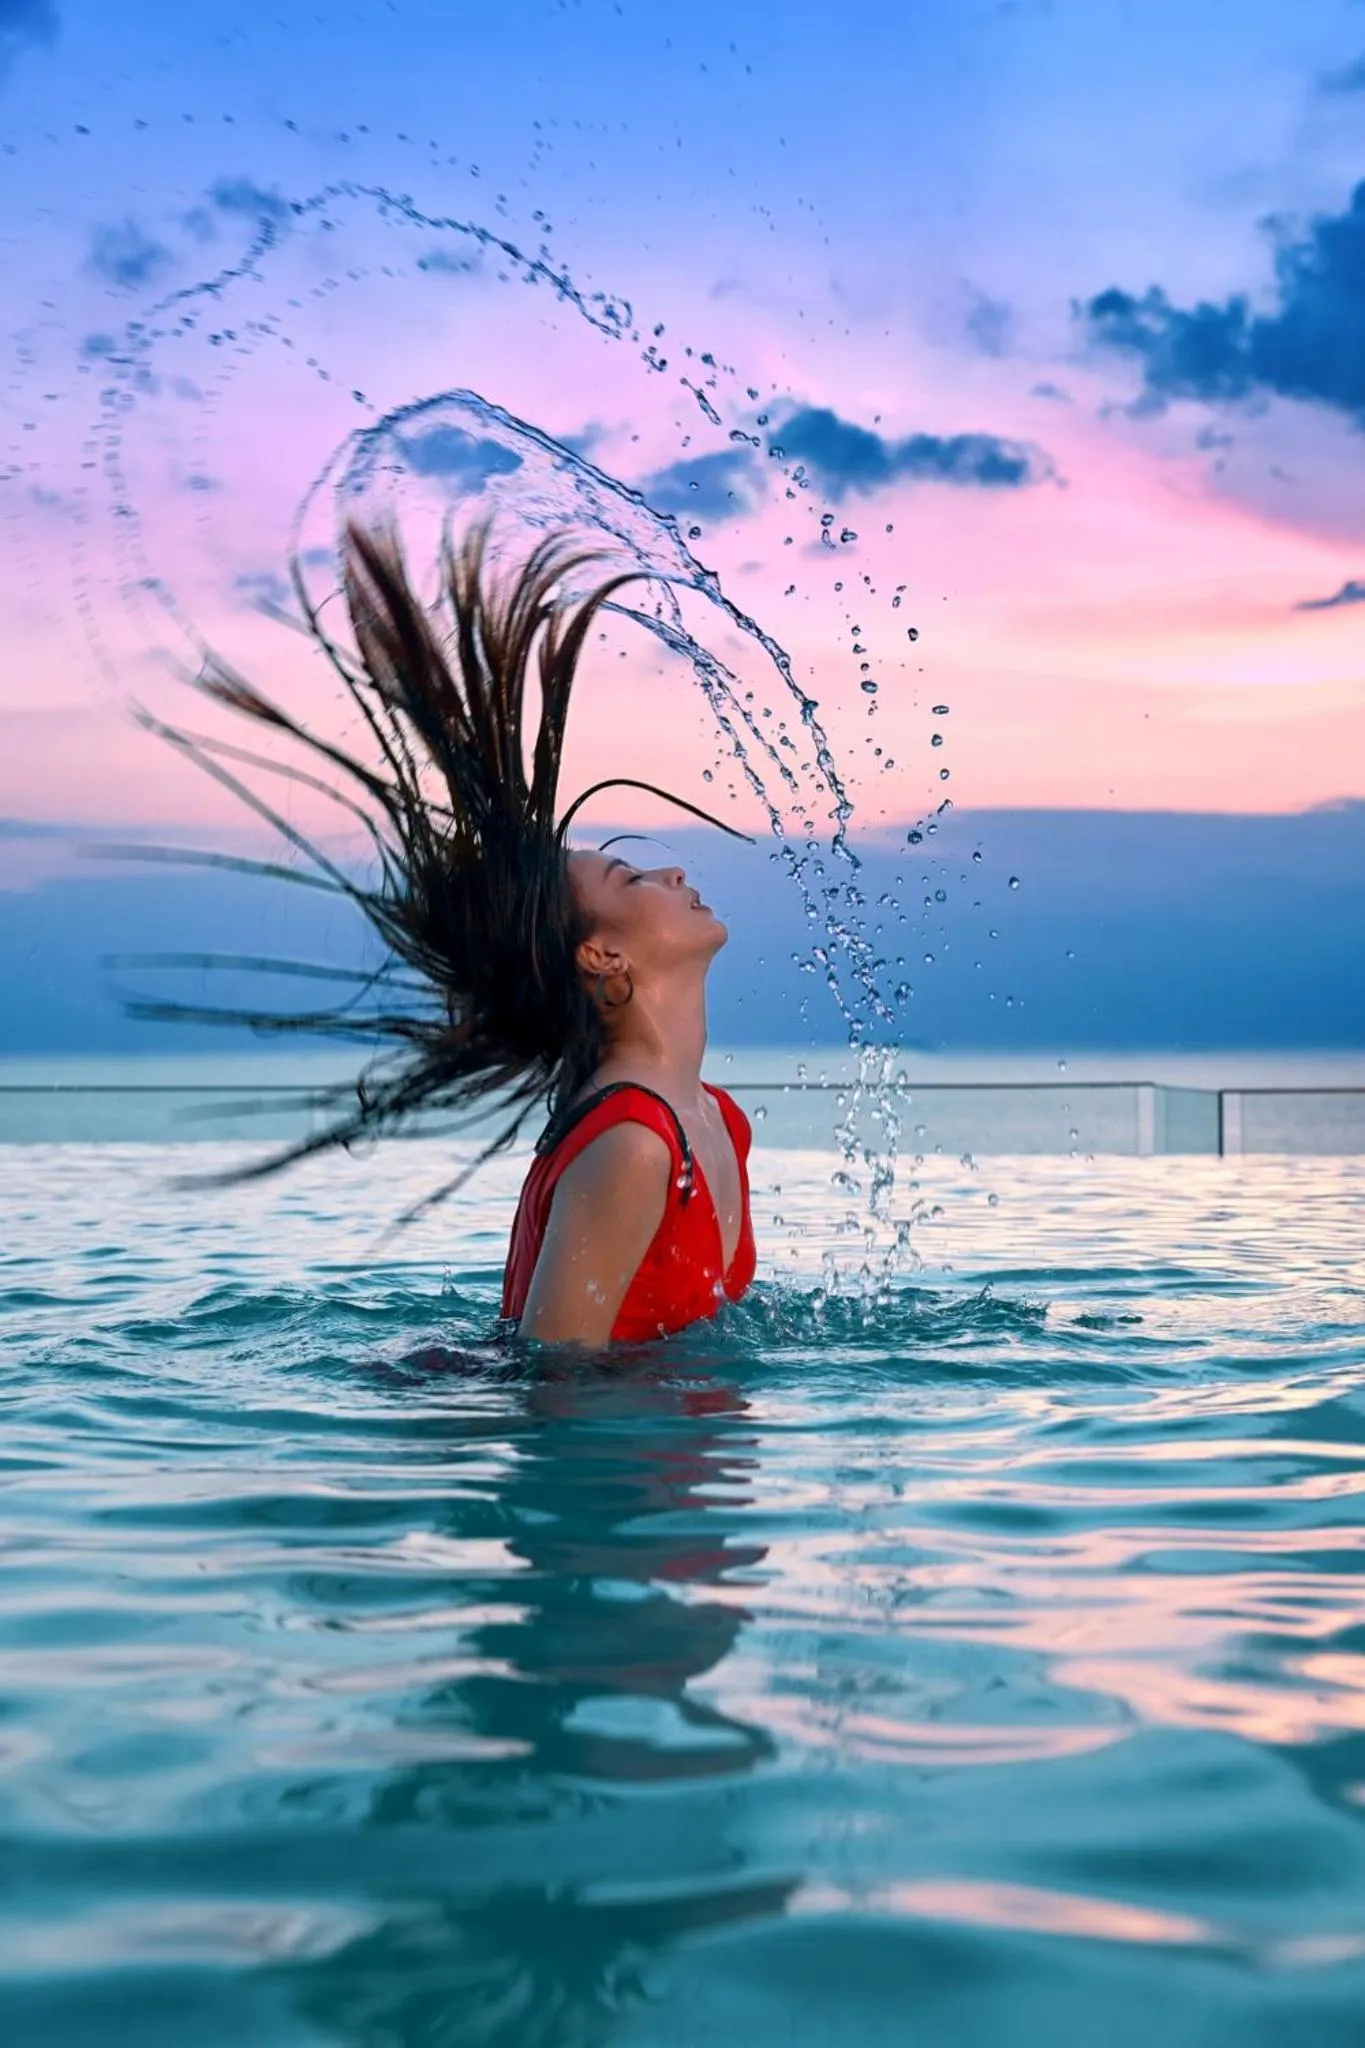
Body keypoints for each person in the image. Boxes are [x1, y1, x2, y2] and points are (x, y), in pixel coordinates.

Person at [140, 518, 756, 1349]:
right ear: (601, 956)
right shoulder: (633, 1144)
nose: (672, 873)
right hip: (613, 1477)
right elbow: (549, 1385)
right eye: (630, 879)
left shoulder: (714, 1119)